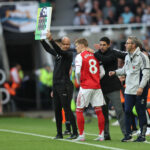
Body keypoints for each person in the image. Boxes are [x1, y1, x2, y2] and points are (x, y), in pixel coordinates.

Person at [109, 36, 150, 142]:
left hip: (139, 89)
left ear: (134, 45)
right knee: (127, 111)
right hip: (129, 89)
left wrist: (141, 87)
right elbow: (125, 70)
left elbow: (146, 74)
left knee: (140, 111)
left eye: (127, 43)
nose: (125, 45)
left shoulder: (142, 57)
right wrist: (115, 72)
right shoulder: (127, 56)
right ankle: (128, 135)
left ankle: (142, 135)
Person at [40, 31, 78, 139]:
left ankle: (75, 132)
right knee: (57, 110)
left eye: (68, 44)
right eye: (64, 44)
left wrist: (51, 39)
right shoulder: (58, 55)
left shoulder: (68, 54)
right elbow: (48, 49)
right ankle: (59, 133)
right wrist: (41, 40)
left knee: (67, 109)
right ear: (61, 44)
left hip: (65, 85)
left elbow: (57, 50)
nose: (66, 46)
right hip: (57, 85)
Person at [94, 37, 126, 140]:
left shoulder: (112, 53)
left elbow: (106, 60)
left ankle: (126, 134)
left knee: (119, 111)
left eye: (104, 45)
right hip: (102, 88)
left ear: (108, 45)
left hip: (113, 87)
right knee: (103, 113)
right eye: (101, 45)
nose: (102, 47)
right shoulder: (97, 53)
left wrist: (94, 53)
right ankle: (106, 135)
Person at [74, 38, 106, 141]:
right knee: (99, 110)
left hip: (85, 86)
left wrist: (79, 82)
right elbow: (103, 72)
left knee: (79, 110)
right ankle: (101, 135)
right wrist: (96, 79)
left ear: (82, 45)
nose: (76, 48)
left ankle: (82, 135)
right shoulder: (96, 55)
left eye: (77, 45)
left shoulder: (80, 56)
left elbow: (78, 72)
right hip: (96, 86)